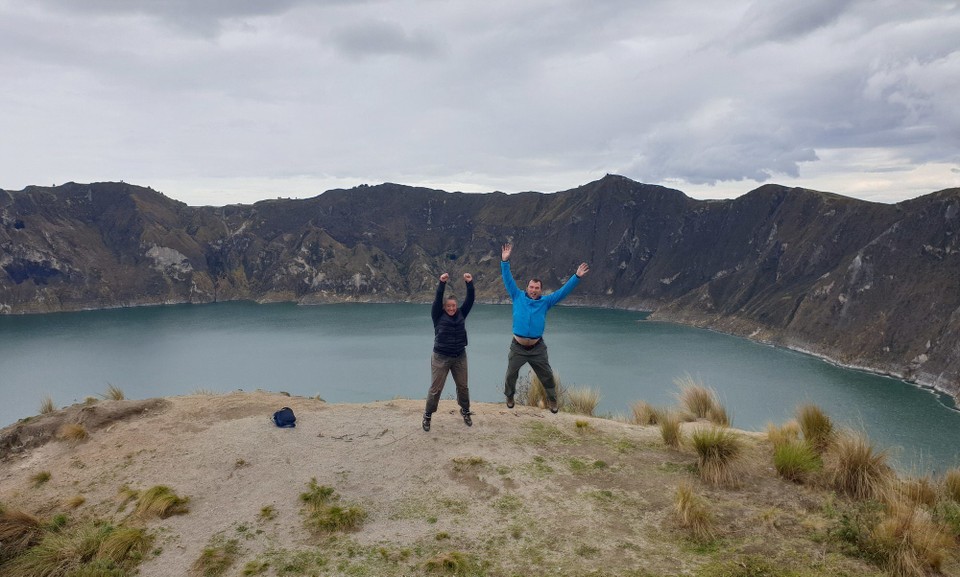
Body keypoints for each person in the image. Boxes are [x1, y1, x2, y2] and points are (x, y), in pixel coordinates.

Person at [500, 243, 589, 413]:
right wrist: (505, 261)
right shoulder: (517, 296)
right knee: (511, 374)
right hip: (517, 347)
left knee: (547, 375)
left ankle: (552, 401)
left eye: (537, 288)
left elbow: (563, 291)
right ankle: (510, 396)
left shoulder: (545, 302)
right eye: (531, 287)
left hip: (537, 347)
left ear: (541, 290)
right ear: (527, 287)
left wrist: (576, 277)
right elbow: (507, 279)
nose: (534, 290)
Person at [423, 272, 475, 432]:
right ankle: (428, 415)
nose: (452, 308)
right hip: (441, 357)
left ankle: (465, 411)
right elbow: (438, 298)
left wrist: (469, 283)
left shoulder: (461, 313)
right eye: (448, 306)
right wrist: (442, 283)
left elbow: (470, 300)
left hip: (460, 356)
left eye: (454, 306)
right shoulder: (437, 315)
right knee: (435, 389)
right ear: (444, 307)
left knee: (463, 387)